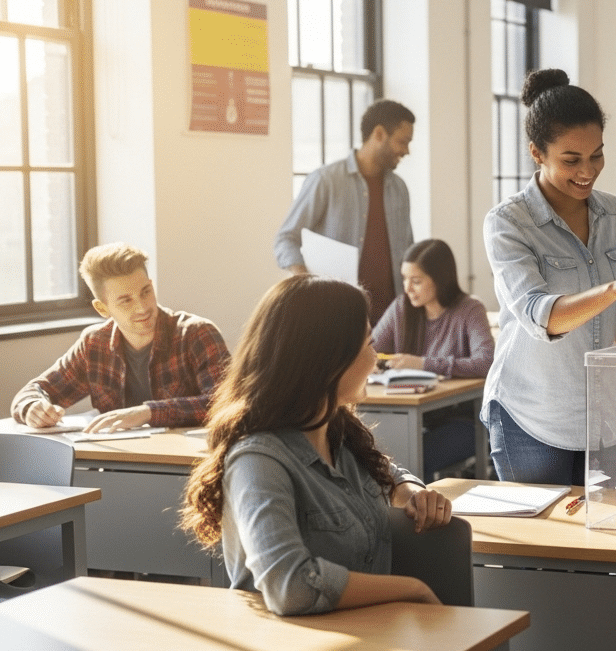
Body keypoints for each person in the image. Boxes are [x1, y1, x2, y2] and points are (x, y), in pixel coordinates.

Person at [180, 275, 454, 617]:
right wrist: (412, 589)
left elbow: (388, 473)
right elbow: (290, 586)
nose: (375, 360)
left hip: (366, 635)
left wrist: (411, 491)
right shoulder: (258, 461)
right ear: (327, 360)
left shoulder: (337, 432)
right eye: (369, 344)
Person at [482, 69, 616, 485]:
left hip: (611, 417)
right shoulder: (508, 223)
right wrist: (614, 289)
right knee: (545, 545)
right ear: (537, 153)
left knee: (611, 544)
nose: (588, 171)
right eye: (571, 160)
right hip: (534, 418)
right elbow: (539, 316)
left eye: (597, 155)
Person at [10, 243, 230, 434]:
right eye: (126, 301)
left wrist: (147, 413)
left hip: (187, 467)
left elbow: (227, 405)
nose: (142, 307)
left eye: (145, 292)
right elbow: (35, 391)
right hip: (121, 465)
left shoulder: (196, 333)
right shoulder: (94, 344)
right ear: (102, 308)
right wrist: (33, 408)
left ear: (152, 286)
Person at [274, 99, 416, 321]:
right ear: (379, 134)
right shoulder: (326, 180)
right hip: (337, 315)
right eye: (403, 141)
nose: (406, 151)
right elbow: (285, 239)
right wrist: (307, 283)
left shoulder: (399, 188)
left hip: (392, 317)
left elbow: (408, 250)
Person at [373, 238, 494, 475]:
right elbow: (370, 348)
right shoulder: (401, 308)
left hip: (461, 420)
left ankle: (420, 510)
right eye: (405, 279)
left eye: (416, 281)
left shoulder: (469, 310)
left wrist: (423, 364)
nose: (407, 288)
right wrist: (372, 362)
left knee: (408, 457)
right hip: (410, 419)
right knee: (376, 454)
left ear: (439, 279)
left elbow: (486, 362)